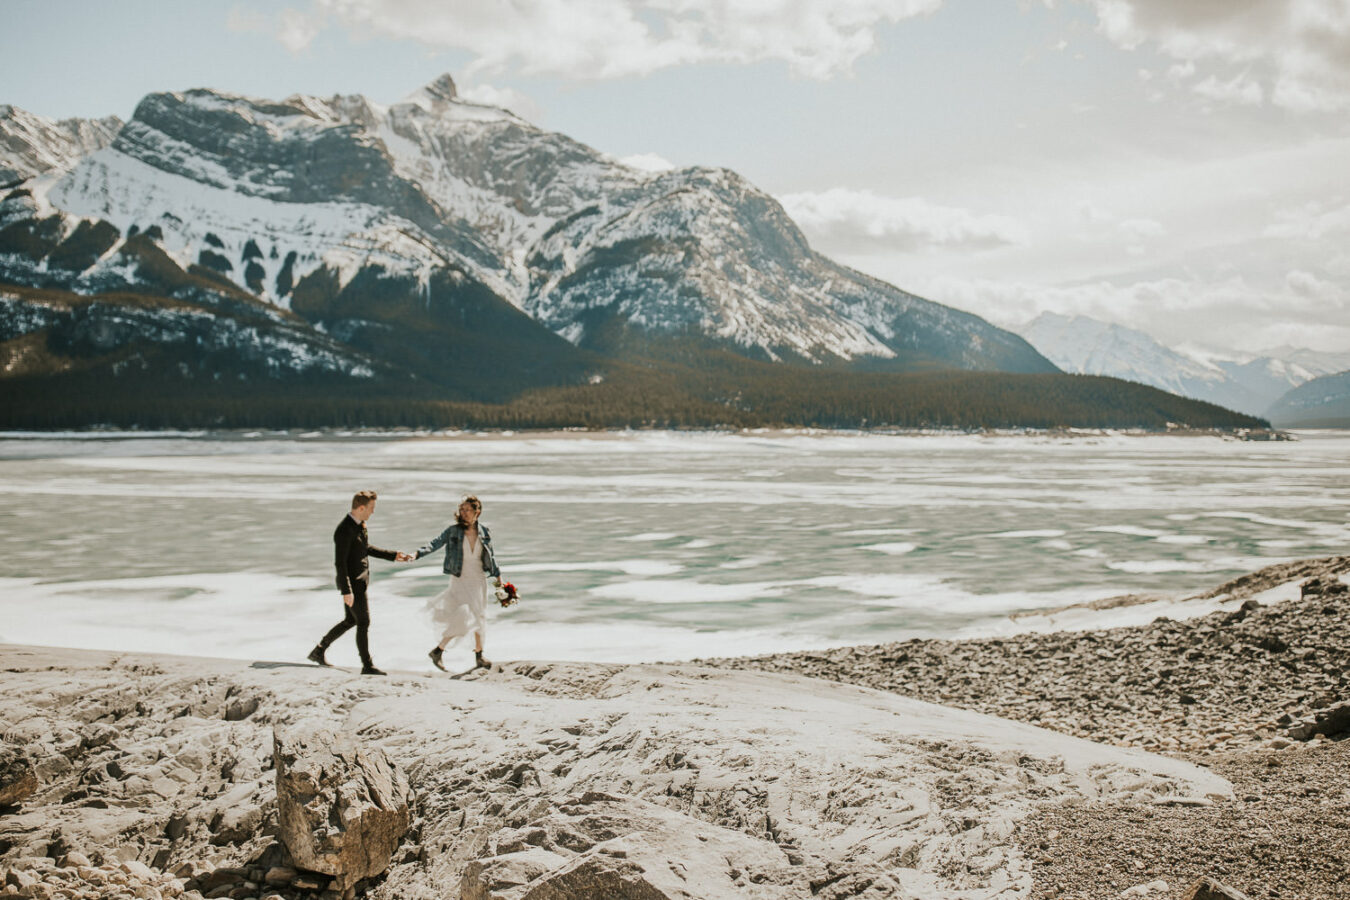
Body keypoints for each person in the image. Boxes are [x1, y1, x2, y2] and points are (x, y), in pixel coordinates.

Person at [308, 490, 410, 675]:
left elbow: (365, 548)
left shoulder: (359, 525)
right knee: (363, 621)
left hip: (359, 582)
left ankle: (319, 650)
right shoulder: (344, 530)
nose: (373, 512)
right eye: (371, 508)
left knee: (350, 620)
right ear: (361, 507)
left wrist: (393, 556)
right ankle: (367, 665)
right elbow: (340, 562)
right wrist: (346, 590)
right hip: (352, 584)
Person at [415, 495, 503, 671]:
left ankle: (476, 655)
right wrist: (417, 554)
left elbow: (490, 557)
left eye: (467, 510)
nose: (463, 513)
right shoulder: (453, 531)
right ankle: (441, 650)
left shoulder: (485, 532)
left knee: (479, 616)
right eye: (461, 509)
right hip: (460, 579)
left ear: (477, 512)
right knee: (464, 615)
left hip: (478, 579)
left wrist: (499, 580)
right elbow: (435, 543)